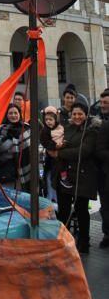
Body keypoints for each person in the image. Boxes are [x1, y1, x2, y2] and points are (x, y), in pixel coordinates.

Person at [52, 101, 97, 253]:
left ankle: (84, 241)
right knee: (64, 210)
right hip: (66, 176)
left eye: (80, 114)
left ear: (86, 115)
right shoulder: (67, 128)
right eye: (75, 114)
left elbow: (84, 151)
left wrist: (61, 153)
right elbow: (61, 143)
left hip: (83, 176)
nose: (77, 116)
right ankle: (65, 239)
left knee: (81, 210)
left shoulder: (91, 130)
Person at [0, 103, 31, 192]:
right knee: (7, 198)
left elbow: (30, 149)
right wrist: (16, 143)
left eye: (15, 113)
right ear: (6, 115)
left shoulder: (26, 128)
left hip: (24, 169)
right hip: (6, 170)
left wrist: (11, 143)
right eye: (10, 113)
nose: (13, 115)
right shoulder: (1, 128)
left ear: (19, 114)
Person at [39, 106, 62, 203]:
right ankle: (51, 199)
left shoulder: (60, 128)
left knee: (58, 181)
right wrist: (56, 146)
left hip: (60, 160)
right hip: (50, 161)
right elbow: (46, 143)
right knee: (50, 181)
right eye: (46, 119)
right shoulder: (44, 131)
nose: (48, 121)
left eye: (51, 119)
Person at [96, 118, 109, 248]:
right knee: (106, 208)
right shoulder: (106, 126)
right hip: (106, 175)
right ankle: (107, 234)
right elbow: (99, 150)